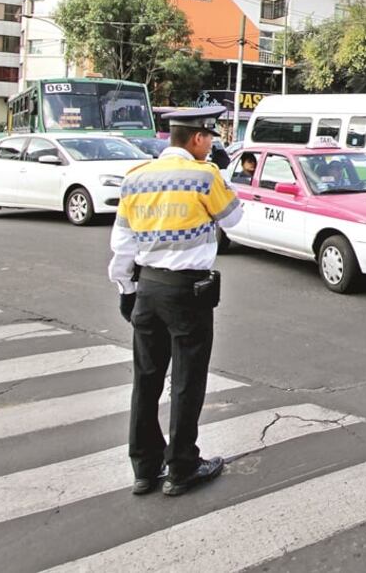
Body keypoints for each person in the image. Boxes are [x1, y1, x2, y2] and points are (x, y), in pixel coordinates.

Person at [108, 110, 243, 497]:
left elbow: (122, 245)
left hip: (146, 287)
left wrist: (125, 290)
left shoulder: (135, 179)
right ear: (197, 139)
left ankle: (144, 468)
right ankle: (181, 466)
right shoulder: (205, 176)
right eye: (211, 138)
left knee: (146, 380)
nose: (214, 144)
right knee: (186, 380)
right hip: (188, 293)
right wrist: (220, 175)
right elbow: (234, 219)